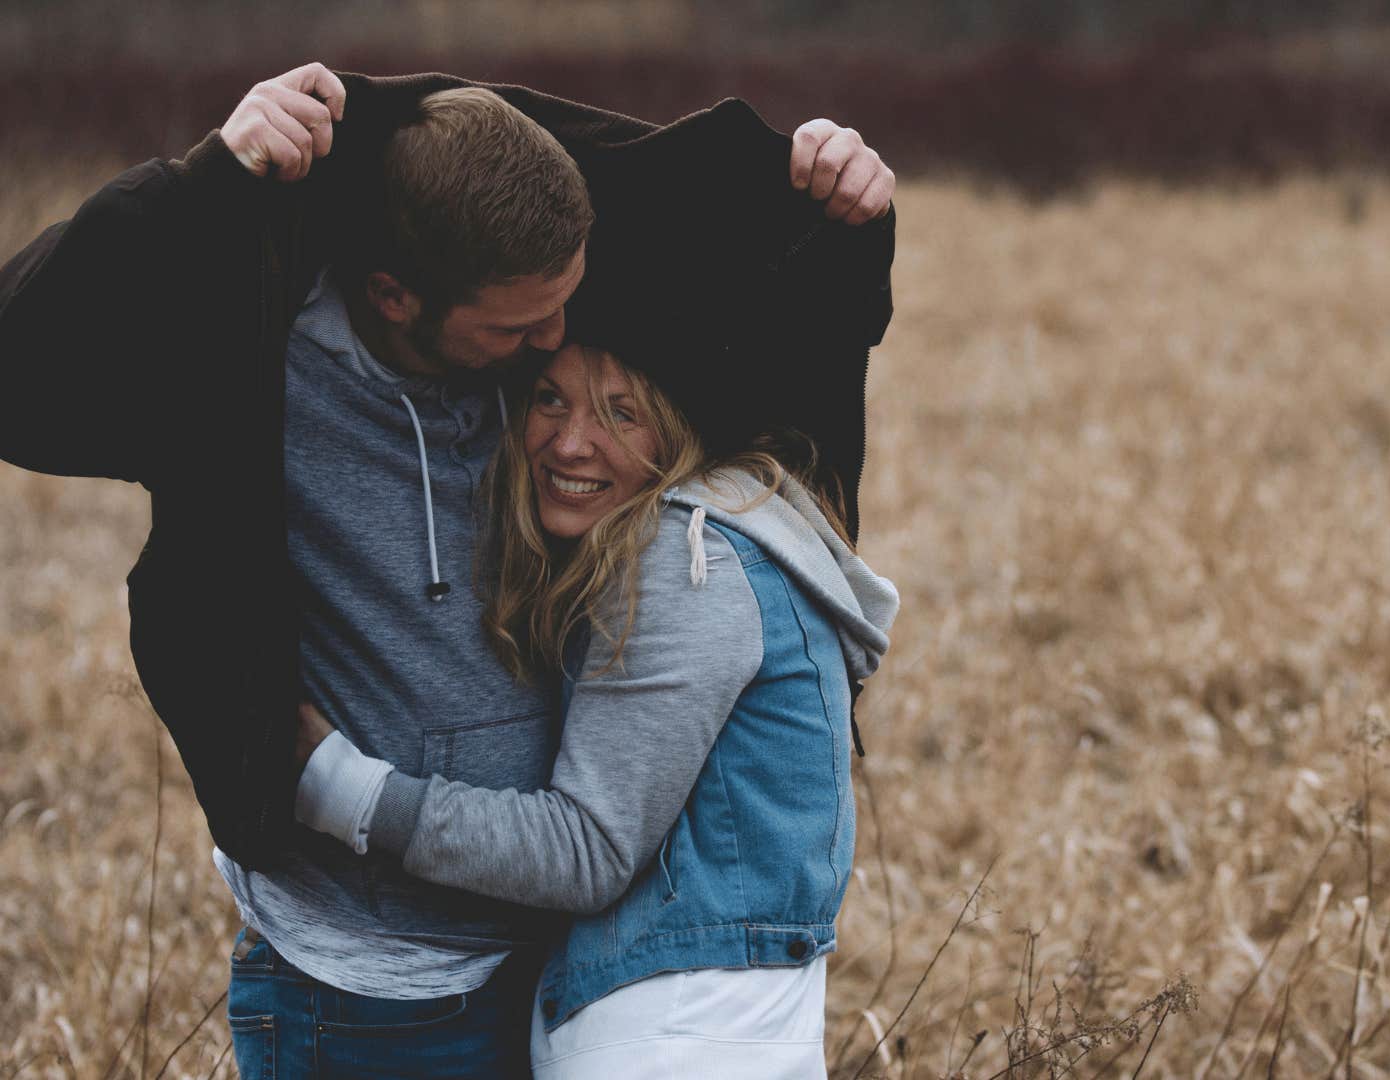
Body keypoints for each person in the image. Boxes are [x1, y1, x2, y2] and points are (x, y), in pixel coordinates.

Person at [0, 62, 895, 1075]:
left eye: (563, 310)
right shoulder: (247, 369)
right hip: (363, 992)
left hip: (549, 971)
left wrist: (840, 195)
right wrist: (204, 179)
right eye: (517, 331)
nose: (554, 343)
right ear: (395, 297)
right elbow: (21, 356)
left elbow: (755, 292)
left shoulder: (534, 349)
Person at [292, 338, 896, 1077]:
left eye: (622, 414)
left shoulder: (688, 559)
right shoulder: (735, 532)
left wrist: (337, 787)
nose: (571, 442)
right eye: (550, 399)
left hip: (668, 1042)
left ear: (680, 430)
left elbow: (588, 850)